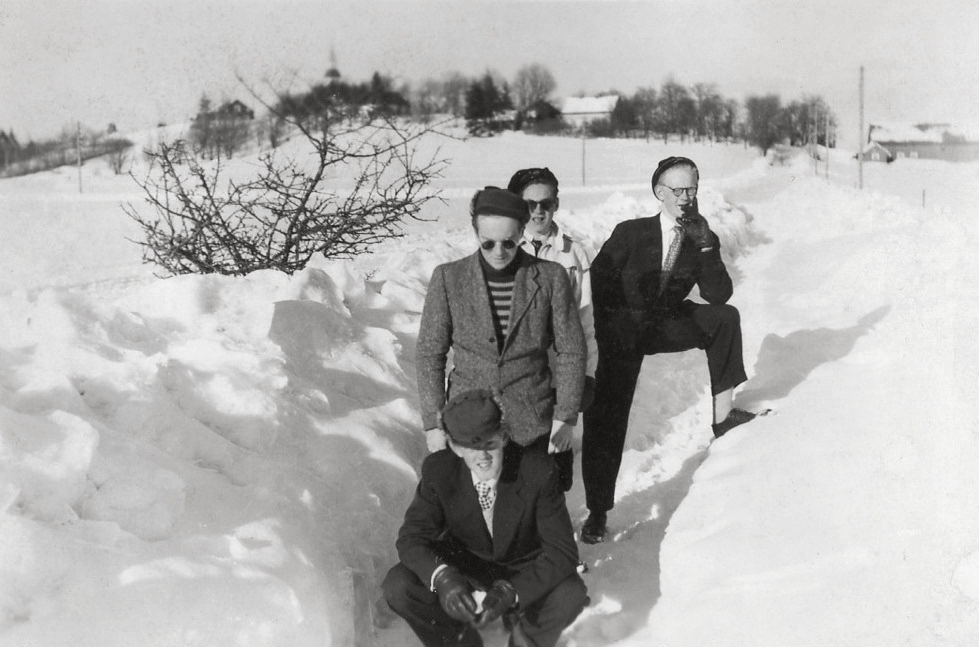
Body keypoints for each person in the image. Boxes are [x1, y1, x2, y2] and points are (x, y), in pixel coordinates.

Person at [580, 156, 755, 544]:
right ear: (660, 193)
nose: (686, 197)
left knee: (724, 317)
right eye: (678, 190)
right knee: (607, 416)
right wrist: (614, 329)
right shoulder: (631, 232)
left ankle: (723, 415)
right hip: (622, 332)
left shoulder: (700, 236)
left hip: (664, 323)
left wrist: (706, 245)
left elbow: (718, 294)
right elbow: (599, 283)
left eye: (692, 189)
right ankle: (597, 510)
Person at [382, 389, 588, 647]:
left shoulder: (538, 470)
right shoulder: (439, 470)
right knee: (399, 585)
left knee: (571, 593)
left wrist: (512, 592)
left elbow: (563, 552)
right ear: (456, 448)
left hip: (523, 565)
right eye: (470, 447)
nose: (482, 457)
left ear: (503, 437)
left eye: (490, 444)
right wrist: (442, 577)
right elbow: (411, 538)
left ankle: (525, 639)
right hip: (467, 563)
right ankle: (459, 642)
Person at [416, 186, 586, 488]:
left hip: (531, 421)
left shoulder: (550, 277)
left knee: (536, 504)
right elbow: (430, 353)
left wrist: (566, 416)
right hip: (469, 425)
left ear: (521, 232)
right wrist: (434, 422)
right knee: (473, 509)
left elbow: (571, 350)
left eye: (508, 243)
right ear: (476, 233)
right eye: (488, 243)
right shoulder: (448, 278)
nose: (498, 252)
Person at [507, 167, 598, 417]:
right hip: (513, 377)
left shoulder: (573, 253)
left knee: (554, 440)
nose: (538, 211)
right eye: (530, 204)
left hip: (558, 375)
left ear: (556, 204)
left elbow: (585, 320)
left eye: (546, 203)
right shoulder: (503, 249)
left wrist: (586, 374)